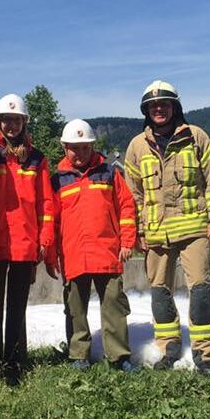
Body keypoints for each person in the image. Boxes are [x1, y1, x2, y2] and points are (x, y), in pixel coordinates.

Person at [123, 80, 210, 375]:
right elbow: (133, 195)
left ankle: (205, 355)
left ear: (175, 107)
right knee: (160, 292)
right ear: (146, 111)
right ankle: (168, 347)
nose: (159, 109)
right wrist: (138, 231)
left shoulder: (196, 137)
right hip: (156, 232)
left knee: (201, 289)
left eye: (164, 104)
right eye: (153, 106)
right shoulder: (137, 146)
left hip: (194, 229)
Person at [47, 119, 138, 372]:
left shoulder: (109, 173)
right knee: (75, 308)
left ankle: (119, 356)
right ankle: (79, 355)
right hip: (73, 255)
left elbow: (126, 207)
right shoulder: (57, 180)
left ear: (92, 146)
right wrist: (51, 255)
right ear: (64, 147)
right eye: (74, 148)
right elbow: (52, 220)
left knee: (114, 305)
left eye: (85, 147)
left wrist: (127, 241)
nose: (80, 153)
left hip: (107, 253)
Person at [0, 93, 55, 385]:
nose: (11, 126)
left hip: (25, 242)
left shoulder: (37, 159)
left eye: (16, 120)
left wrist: (44, 239)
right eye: (6, 120)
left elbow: (45, 202)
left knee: (17, 306)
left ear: (24, 123)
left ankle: (15, 363)